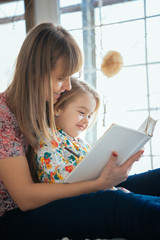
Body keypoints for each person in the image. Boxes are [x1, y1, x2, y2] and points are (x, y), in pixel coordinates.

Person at [0, 22, 160, 240]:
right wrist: (98, 184)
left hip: (57, 189)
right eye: (60, 78)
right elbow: (25, 197)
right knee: (115, 204)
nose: (67, 86)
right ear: (35, 72)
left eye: (70, 77)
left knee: (152, 181)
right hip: (12, 218)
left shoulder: (44, 105)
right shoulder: (4, 115)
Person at [35, 77, 100, 183]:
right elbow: (57, 175)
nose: (86, 121)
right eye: (82, 113)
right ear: (58, 109)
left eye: (89, 116)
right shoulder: (48, 137)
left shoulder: (82, 144)